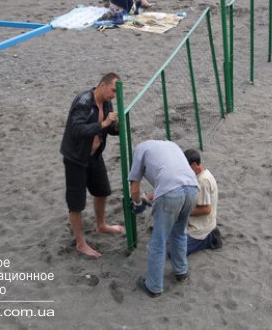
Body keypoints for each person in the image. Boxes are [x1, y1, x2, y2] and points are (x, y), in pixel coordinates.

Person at [59, 72, 125, 258]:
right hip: (75, 159)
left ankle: (101, 224)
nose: (114, 95)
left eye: (116, 92)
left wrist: (117, 126)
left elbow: (110, 129)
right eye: (113, 90)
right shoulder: (83, 102)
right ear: (102, 85)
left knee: (102, 191)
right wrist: (104, 123)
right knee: (76, 203)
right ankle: (80, 243)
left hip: (94, 156)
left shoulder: (107, 102)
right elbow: (78, 129)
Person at [128, 140, 199, 298]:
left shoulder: (139, 150)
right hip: (193, 188)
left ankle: (153, 286)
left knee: (158, 241)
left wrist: (138, 203)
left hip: (171, 192)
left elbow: (134, 188)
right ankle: (181, 271)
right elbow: (171, 179)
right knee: (180, 232)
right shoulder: (170, 146)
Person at [184, 149, 222, 256]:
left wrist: (184, 210)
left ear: (194, 165)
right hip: (196, 223)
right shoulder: (201, 173)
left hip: (200, 231)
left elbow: (206, 209)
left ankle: (209, 239)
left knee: (175, 252)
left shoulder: (203, 181)